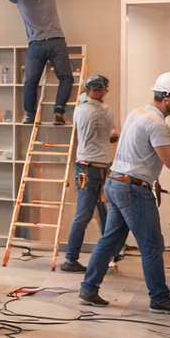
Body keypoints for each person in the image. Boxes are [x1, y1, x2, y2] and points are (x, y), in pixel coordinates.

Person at [78, 72, 170, 316]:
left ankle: (88, 289)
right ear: (167, 97)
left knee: (110, 241)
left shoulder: (137, 113)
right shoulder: (157, 125)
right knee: (153, 246)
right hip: (132, 190)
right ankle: (160, 299)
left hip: (115, 183)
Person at [0, 0, 74, 125]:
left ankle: (30, 116)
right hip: (56, 41)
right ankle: (58, 112)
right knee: (66, 77)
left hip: (36, 45)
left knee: (31, 82)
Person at [60, 74, 120, 273]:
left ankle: (110, 252)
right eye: (105, 89)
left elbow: (103, 136)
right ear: (96, 90)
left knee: (102, 212)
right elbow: (110, 135)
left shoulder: (82, 109)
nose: (106, 93)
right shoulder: (99, 111)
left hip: (92, 166)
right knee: (86, 214)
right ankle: (71, 258)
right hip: (92, 168)